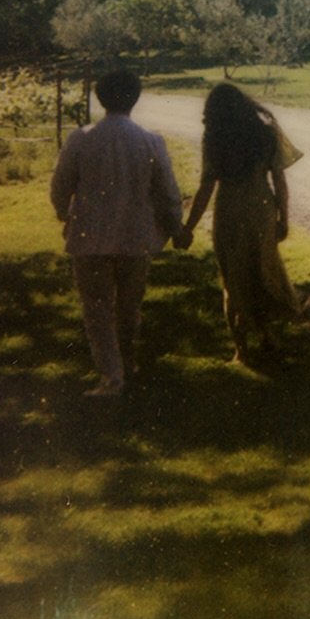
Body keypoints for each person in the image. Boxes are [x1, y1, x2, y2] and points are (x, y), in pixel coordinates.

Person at [50, 69, 184, 397]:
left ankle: (112, 374)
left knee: (97, 307)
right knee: (128, 305)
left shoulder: (81, 138)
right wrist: (175, 226)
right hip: (134, 236)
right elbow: (167, 191)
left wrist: (65, 215)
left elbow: (59, 186)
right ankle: (126, 362)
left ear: (100, 98)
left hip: (90, 235)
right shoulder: (150, 141)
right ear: (135, 99)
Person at [175, 82, 300, 365]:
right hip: (261, 208)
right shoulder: (265, 133)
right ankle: (267, 335)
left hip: (230, 209)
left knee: (233, 275)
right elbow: (279, 180)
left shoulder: (214, 138)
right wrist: (283, 217)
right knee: (262, 268)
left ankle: (240, 348)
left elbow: (207, 186)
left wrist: (189, 227)